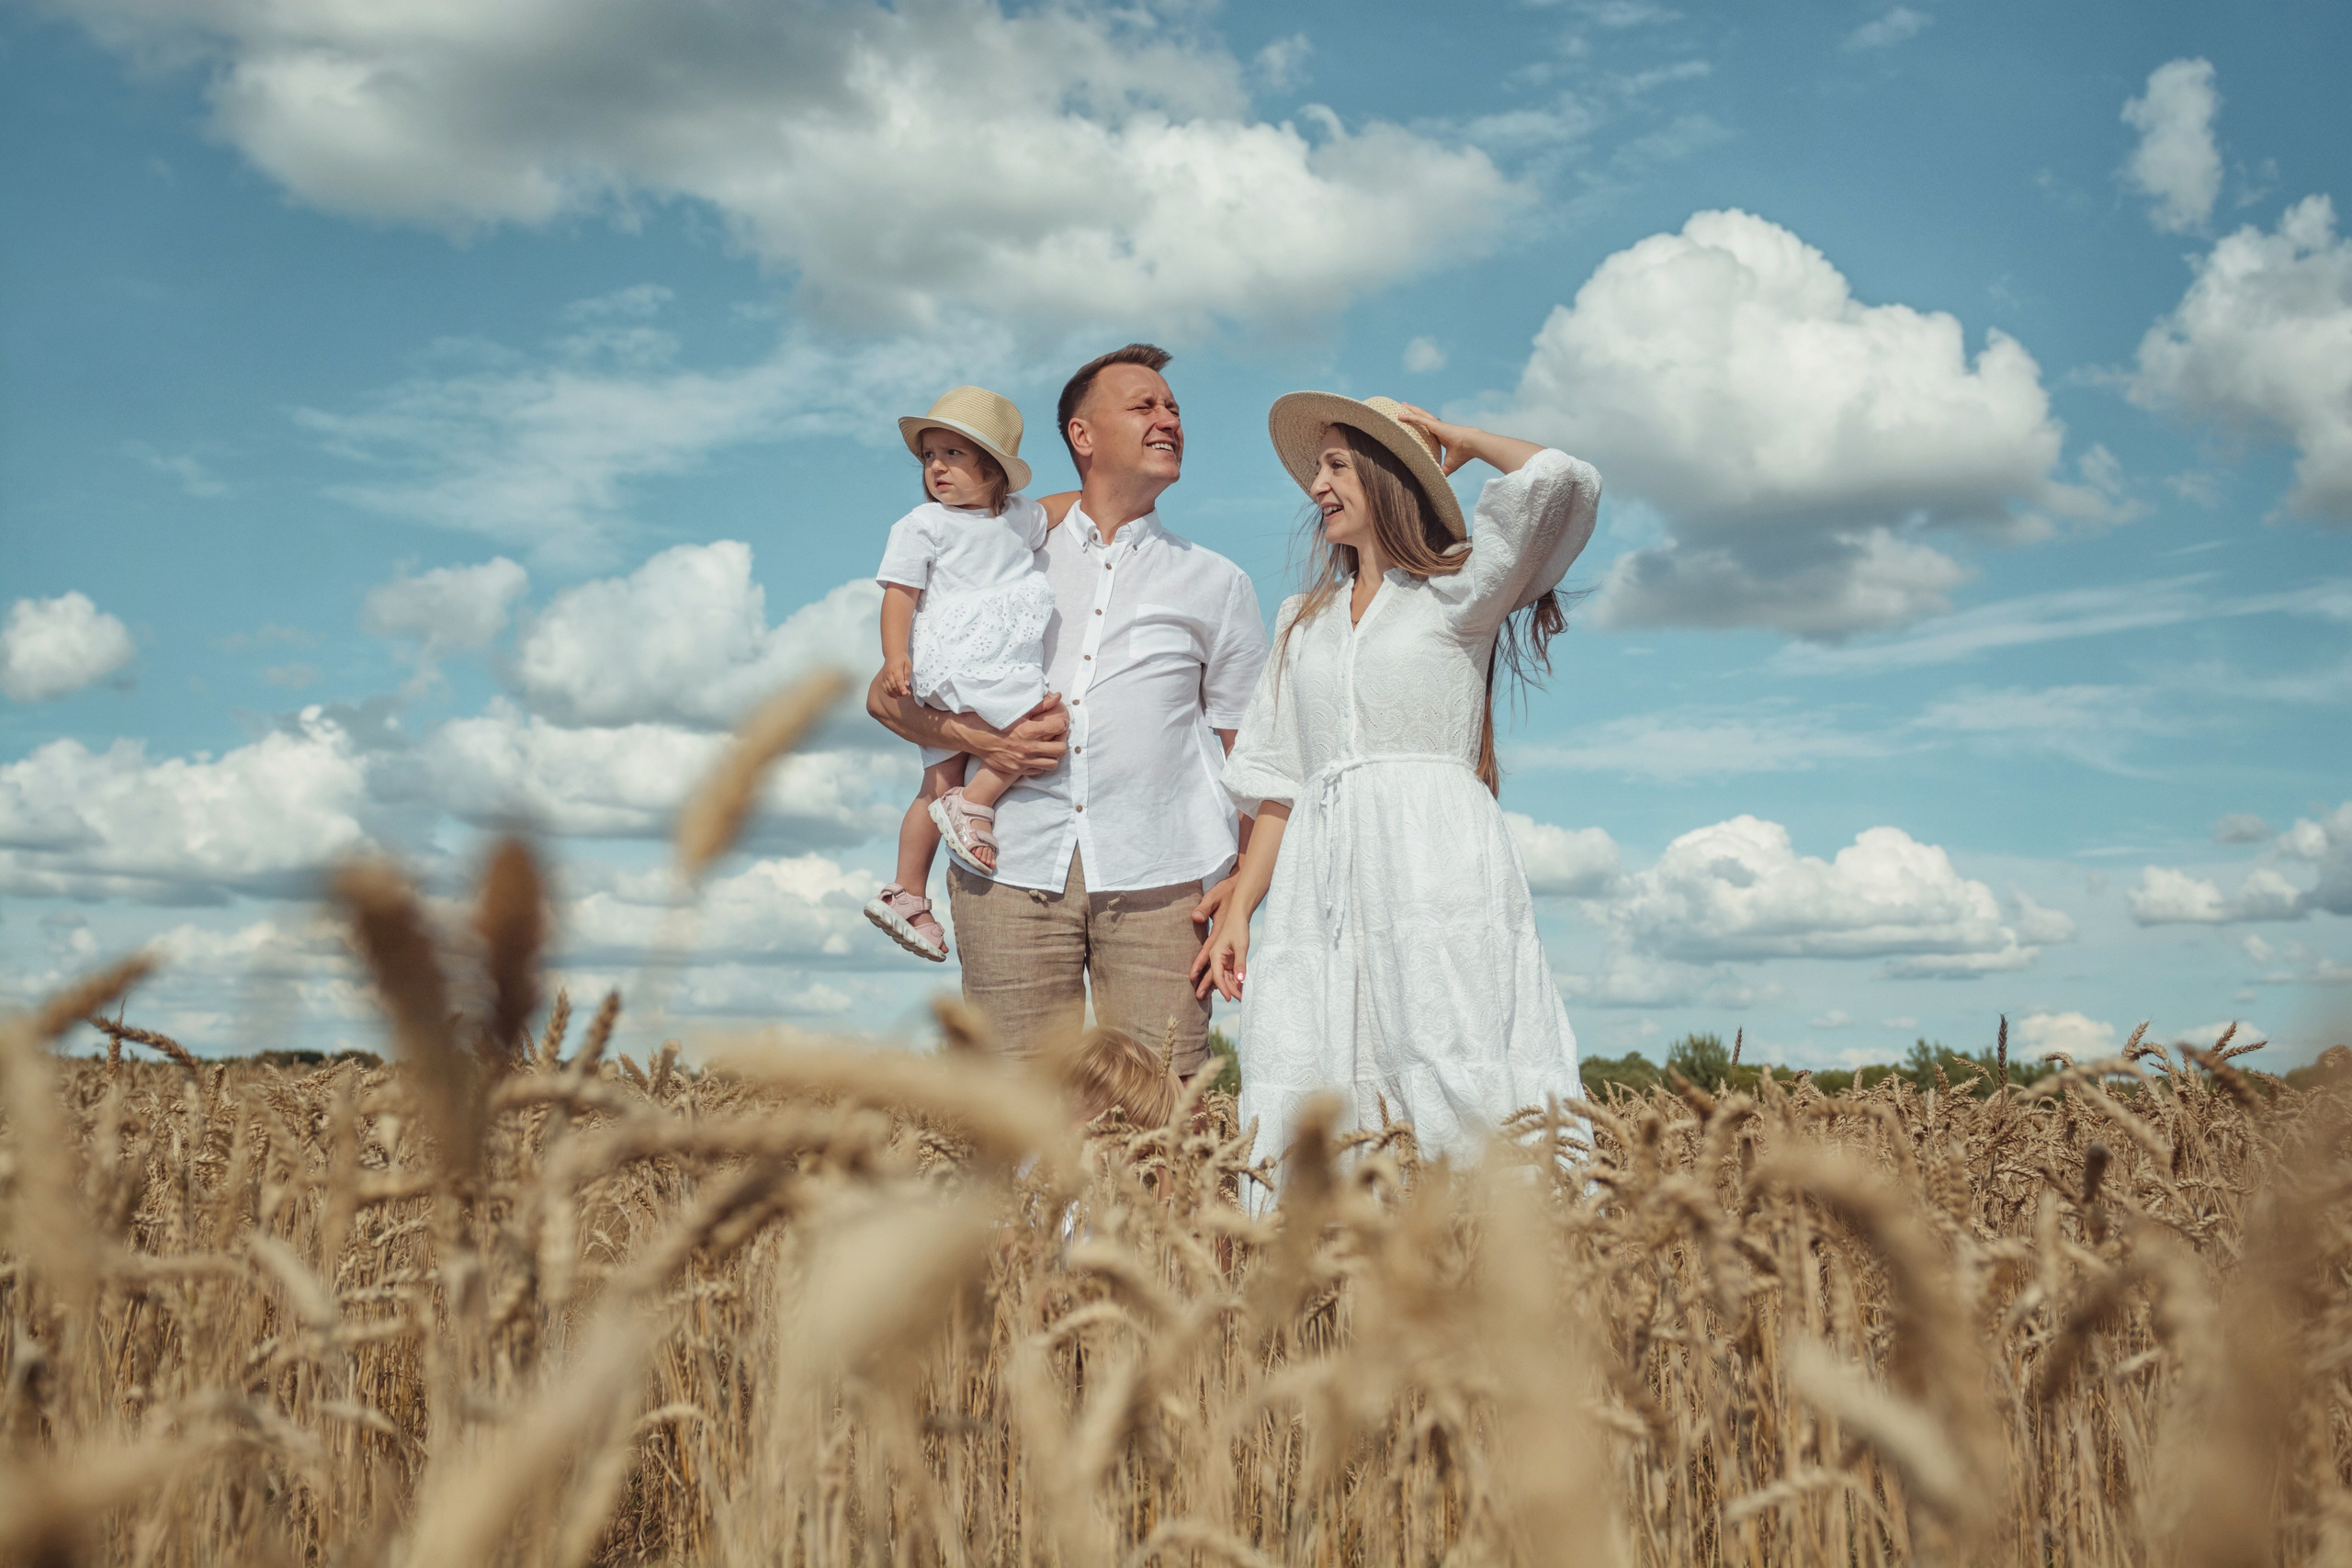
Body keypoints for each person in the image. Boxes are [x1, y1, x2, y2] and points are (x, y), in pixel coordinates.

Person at [1193, 394, 1600, 1160]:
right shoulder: (1298, 621)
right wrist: (1241, 908)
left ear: (1387, 477)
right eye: (1318, 468)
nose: (1316, 484)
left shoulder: (1458, 591)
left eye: (1338, 464)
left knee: (1455, 1050)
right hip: (1323, 881)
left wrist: (1458, 440)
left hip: (1434, 866)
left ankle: (1486, 1251)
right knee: (1315, 1069)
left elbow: (1560, 482)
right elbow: (1280, 779)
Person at [865, 344, 1269, 1077]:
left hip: (1166, 880)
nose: (1168, 417)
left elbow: (1252, 753)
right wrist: (981, 741)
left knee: (1163, 1122)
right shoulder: (1004, 546)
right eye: (1144, 404)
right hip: (1007, 864)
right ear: (1082, 436)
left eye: (1173, 407)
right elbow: (883, 696)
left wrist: (1241, 885)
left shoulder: (1220, 583)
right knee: (1018, 1117)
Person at [862, 387, 1058, 962]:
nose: (937, 468)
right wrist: (896, 655)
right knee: (1039, 724)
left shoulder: (1020, 517)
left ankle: (907, 892)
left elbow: (1069, 504)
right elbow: (899, 595)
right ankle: (976, 803)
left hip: (986, 656)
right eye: (929, 457)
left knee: (936, 780)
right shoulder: (923, 524)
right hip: (955, 656)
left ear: (995, 469)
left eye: (953, 455)